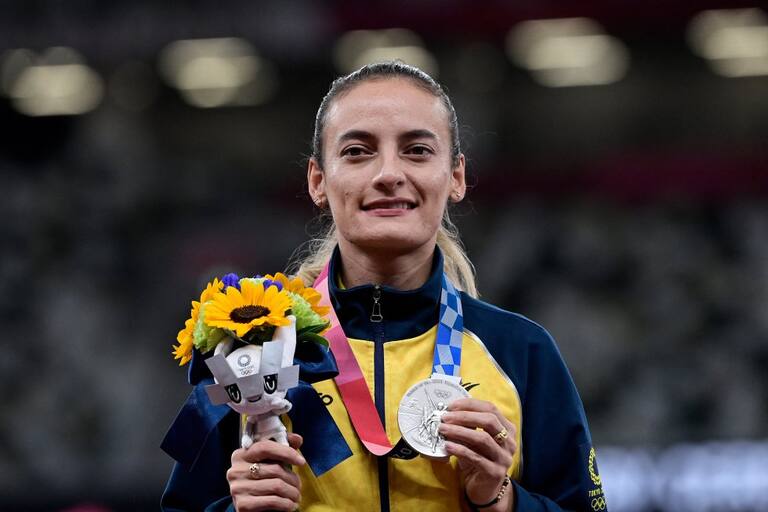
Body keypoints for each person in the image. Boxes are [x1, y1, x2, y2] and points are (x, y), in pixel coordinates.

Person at [161, 61, 606, 512]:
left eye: (417, 150)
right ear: (318, 180)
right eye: (357, 151)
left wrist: (501, 500)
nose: (388, 173)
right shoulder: (248, 348)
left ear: (456, 177)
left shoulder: (522, 352)